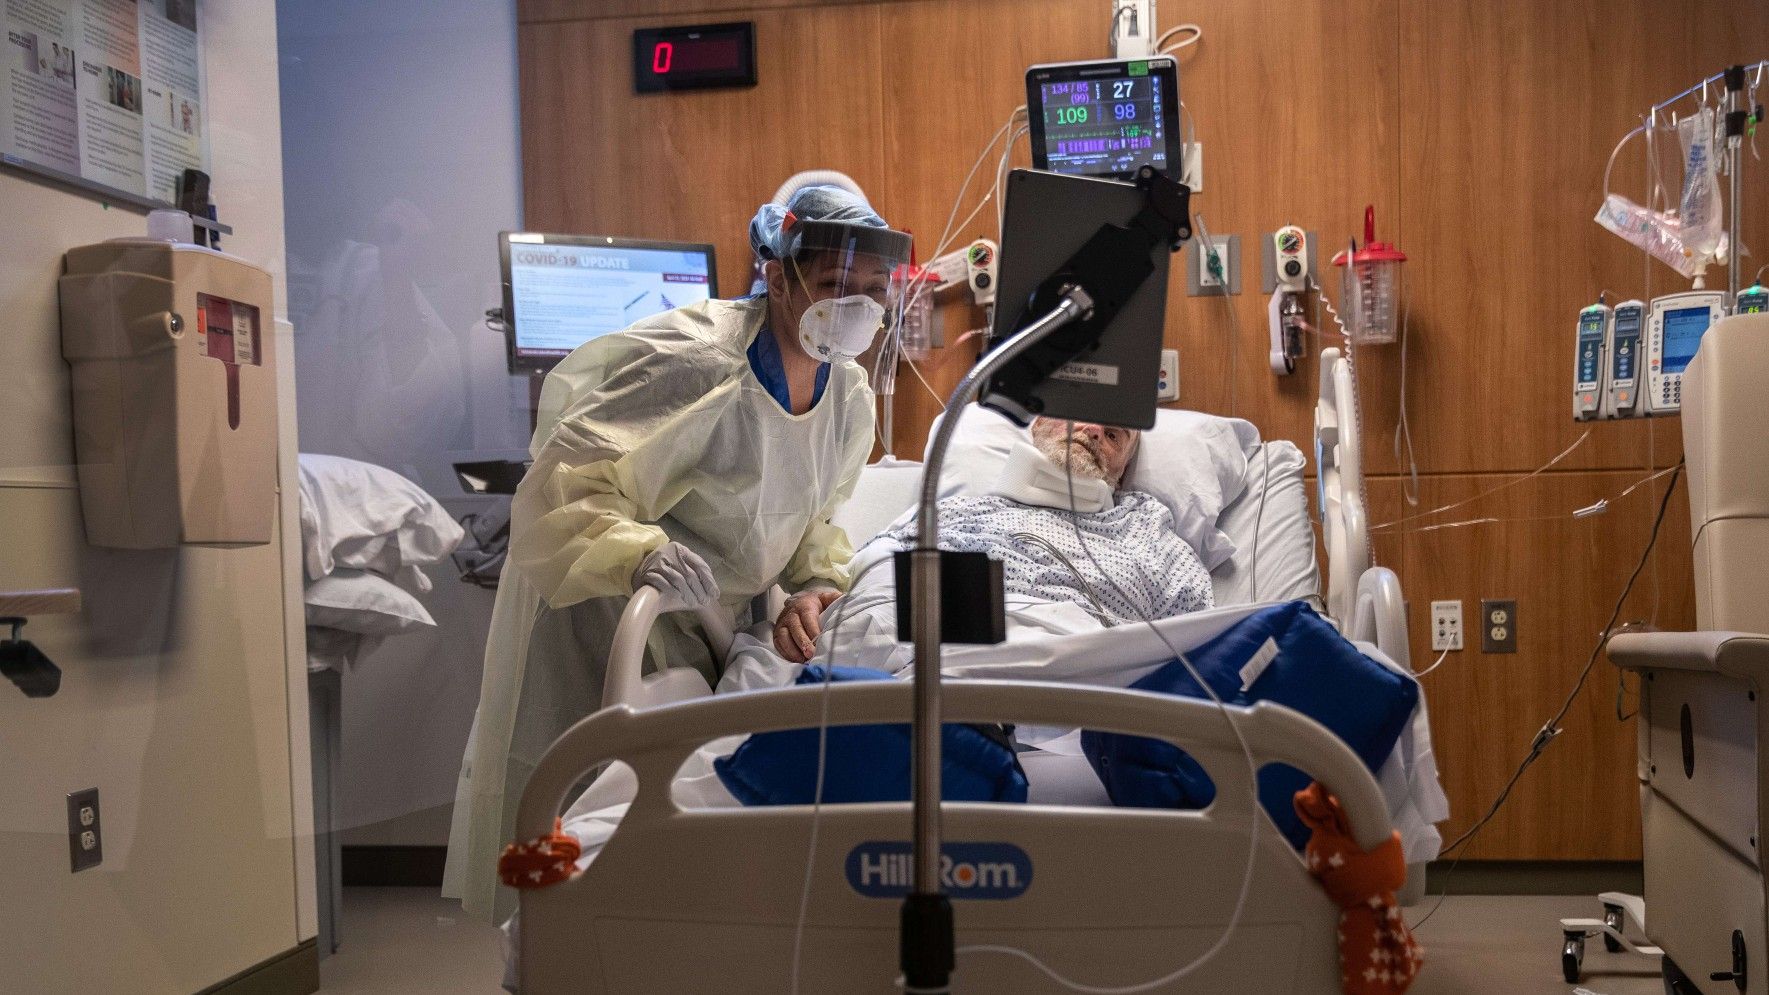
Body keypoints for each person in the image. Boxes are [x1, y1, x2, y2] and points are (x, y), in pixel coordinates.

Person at [444, 186, 911, 922]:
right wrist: (635, 556)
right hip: (601, 614)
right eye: (832, 287)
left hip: (703, 629)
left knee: (648, 853)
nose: (854, 309)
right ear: (777, 275)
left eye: (873, 293)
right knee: (568, 827)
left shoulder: (849, 395)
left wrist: (813, 586)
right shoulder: (694, 365)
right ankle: (546, 961)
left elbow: (812, 512)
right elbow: (556, 493)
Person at [769, 417, 1214, 661]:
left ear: (1121, 472)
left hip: (1067, 663)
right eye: (1078, 416)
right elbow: (869, 587)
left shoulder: (1147, 531)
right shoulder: (952, 512)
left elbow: (1201, 640)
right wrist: (817, 601)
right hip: (921, 647)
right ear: (1039, 424)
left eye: (1114, 433)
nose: (1095, 430)